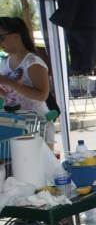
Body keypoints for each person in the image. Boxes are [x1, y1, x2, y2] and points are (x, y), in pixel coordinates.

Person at [0, 17, 54, 145]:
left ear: (17, 36)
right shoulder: (4, 62)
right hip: (14, 124)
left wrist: (8, 81)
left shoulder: (32, 62)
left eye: (1, 38)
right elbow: (9, 94)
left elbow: (42, 95)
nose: (0, 43)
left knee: (38, 164)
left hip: (37, 124)